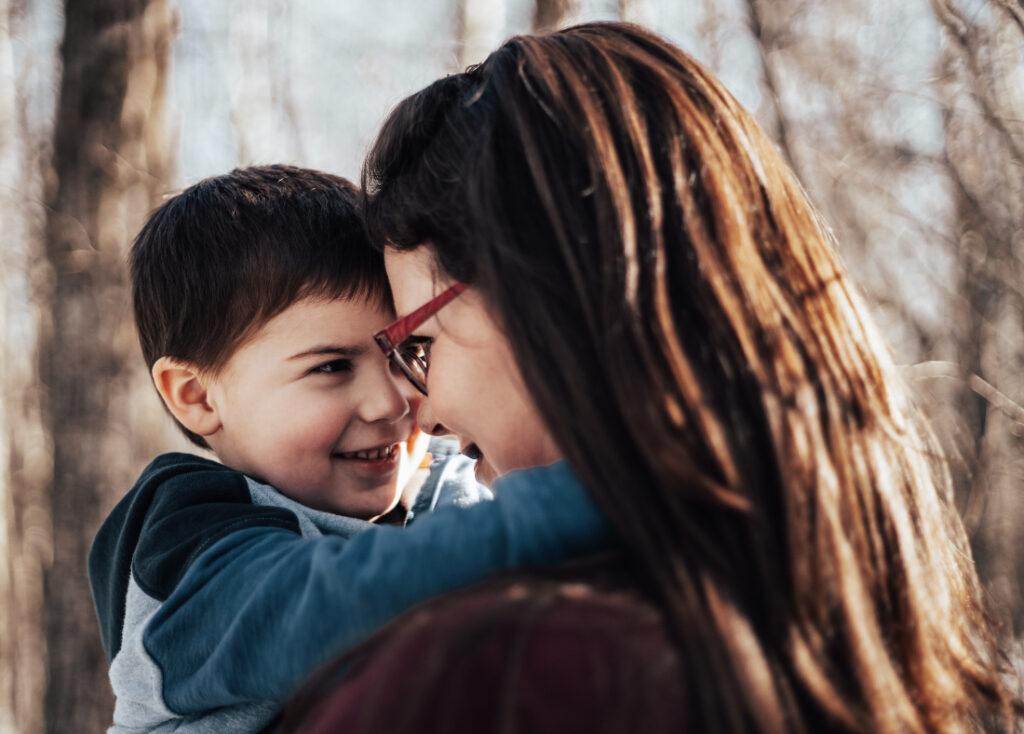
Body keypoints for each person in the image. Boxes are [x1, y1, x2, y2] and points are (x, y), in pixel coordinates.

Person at [278, 23, 1018, 734]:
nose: (423, 411)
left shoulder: (498, 679)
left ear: (550, 293)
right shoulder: (865, 627)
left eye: (421, 344)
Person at [87, 165, 612, 734]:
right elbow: (313, 608)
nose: (391, 403)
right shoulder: (187, 543)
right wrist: (581, 504)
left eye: (405, 355)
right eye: (332, 367)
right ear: (196, 397)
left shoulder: (452, 484)